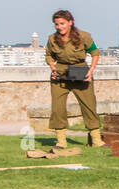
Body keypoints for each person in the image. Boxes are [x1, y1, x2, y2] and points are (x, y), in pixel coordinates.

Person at [45, 10, 106, 149]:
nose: (59, 27)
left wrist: (90, 71)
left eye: (62, 23)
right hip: (60, 74)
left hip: (80, 73)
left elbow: (95, 53)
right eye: (56, 24)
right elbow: (49, 55)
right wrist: (52, 67)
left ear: (70, 22)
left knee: (89, 106)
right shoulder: (52, 39)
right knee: (57, 108)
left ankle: (96, 140)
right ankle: (61, 142)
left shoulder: (84, 36)